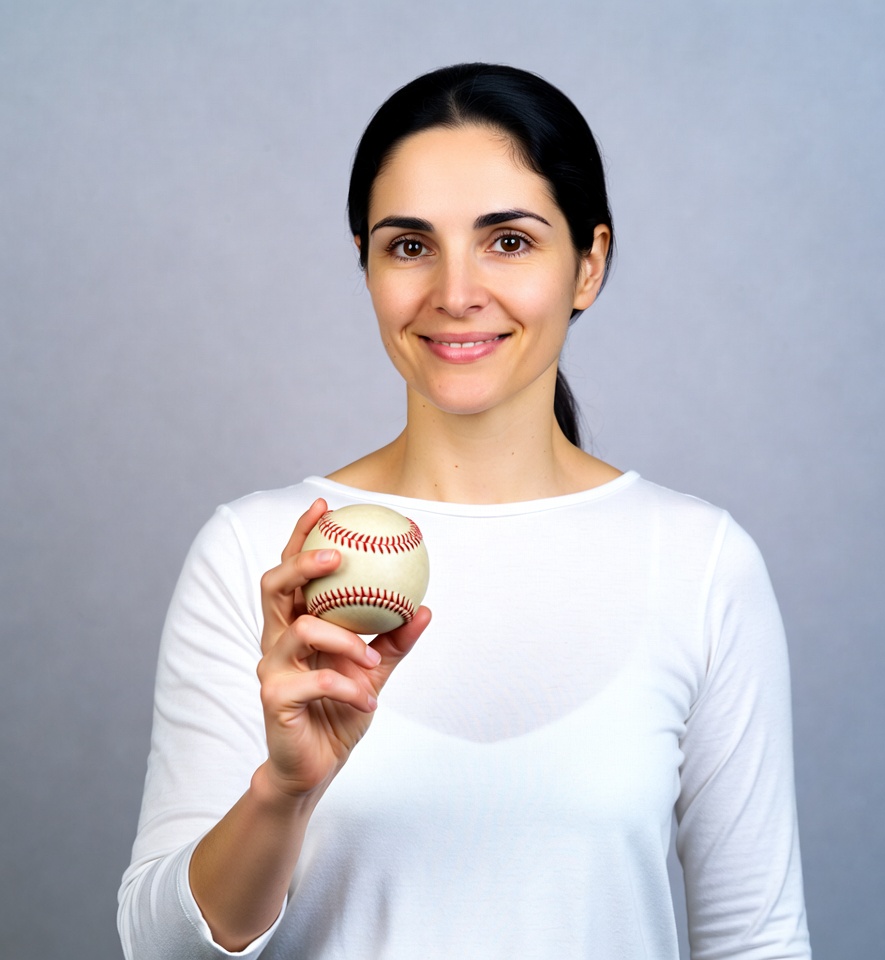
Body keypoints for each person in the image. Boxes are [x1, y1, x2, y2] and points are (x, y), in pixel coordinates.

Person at [118, 63, 810, 959]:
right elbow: (157, 951)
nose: (454, 292)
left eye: (509, 242)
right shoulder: (259, 551)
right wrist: (282, 793)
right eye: (409, 246)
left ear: (588, 264)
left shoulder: (701, 561)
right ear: (366, 266)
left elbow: (756, 942)